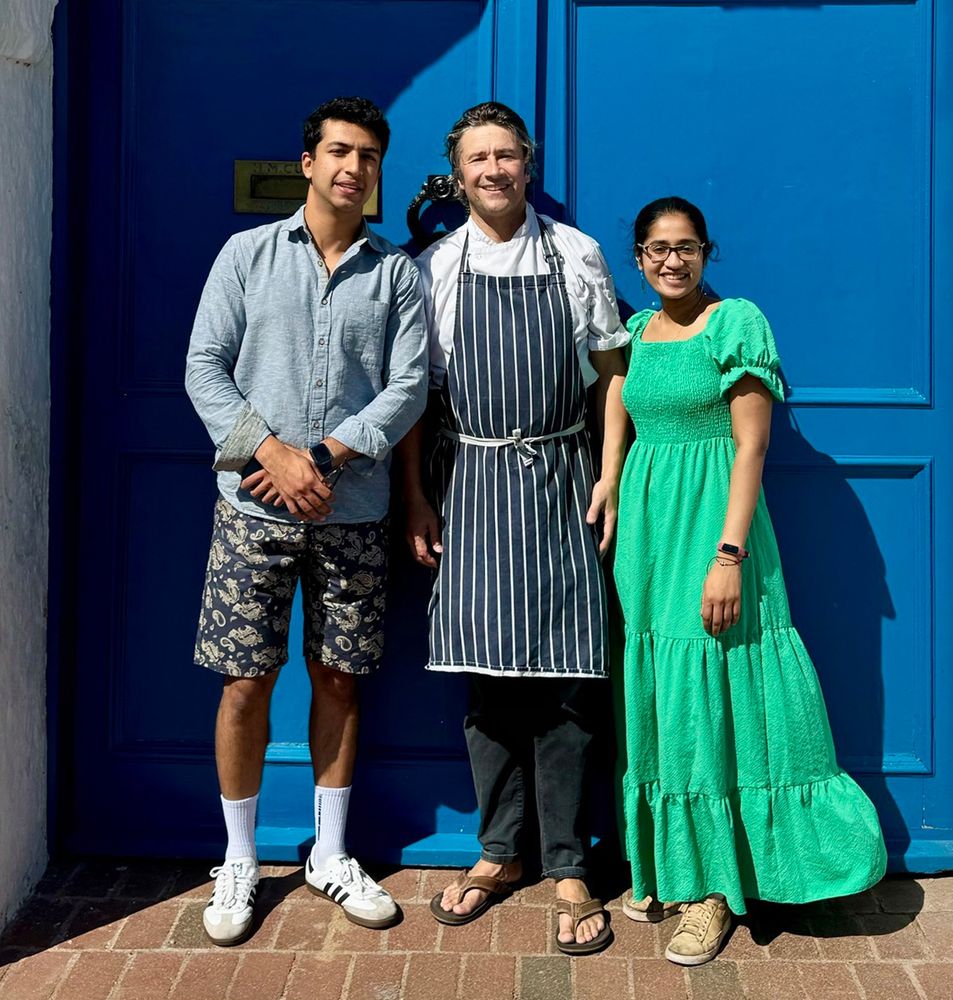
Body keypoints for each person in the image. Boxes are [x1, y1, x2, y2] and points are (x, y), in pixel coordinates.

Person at [613, 196, 887, 965]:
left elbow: (750, 449)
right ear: (638, 258)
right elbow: (618, 413)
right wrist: (608, 486)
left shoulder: (736, 323)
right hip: (649, 539)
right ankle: (677, 866)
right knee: (669, 695)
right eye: (658, 249)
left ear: (707, 252)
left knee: (717, 690)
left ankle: (716, 894)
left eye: (687, 246)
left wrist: (728, 555)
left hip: (713, 531)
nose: (672, 260)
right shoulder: (636, 332)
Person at [184, 96, 428, 946]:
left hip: (353, 509)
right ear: (308, 162)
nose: (352, 167)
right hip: (251, 507)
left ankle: (329, 851)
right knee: (245, 680)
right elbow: (203, 368)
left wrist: (322, 458)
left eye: (367, 156)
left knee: (339, 677)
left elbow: (408, 389)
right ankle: (240, 858)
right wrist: (272, 456)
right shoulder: (247, 256)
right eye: (337, 151)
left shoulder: (397, 273)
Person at [398, 102, 629, 955]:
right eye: (477, 158)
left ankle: (569, 862)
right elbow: (418, 394)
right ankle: (500, 852)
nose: (493, 170)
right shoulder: (433, 268)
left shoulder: (576, 256)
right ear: (457, 173)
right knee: (485, 681)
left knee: (569, 681)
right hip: (472, 484)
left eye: (506, 156)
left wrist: (607, 473)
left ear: (527, 165)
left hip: (563, 480)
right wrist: (418, 498)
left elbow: (612, 375)